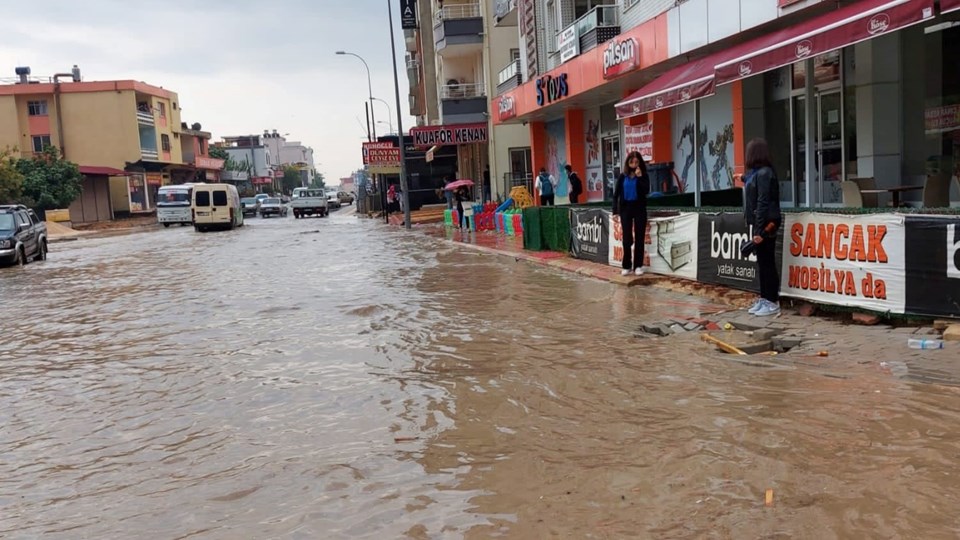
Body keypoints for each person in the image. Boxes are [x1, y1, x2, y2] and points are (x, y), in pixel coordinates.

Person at [743, 138, 782, 317]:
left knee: (767, 263)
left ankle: (772, 301)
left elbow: (763, 201)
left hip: (768, 223)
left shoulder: (765, 173)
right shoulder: (757, 173)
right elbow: (752, 183)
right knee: (762, 262)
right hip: (761, 223)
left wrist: (760, 232)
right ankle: (765, 298)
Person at [612, 151, 650, 277]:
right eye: (631, 162)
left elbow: (646, 190)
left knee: (640, 237)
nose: (634, 165)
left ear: (639, 163)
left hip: (639, 208)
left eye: (636, 162)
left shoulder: (644, 176)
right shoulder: (623, 176)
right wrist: (615, 211)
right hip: (626, 209)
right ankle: (626, 265)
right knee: (627, 238)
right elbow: (616, 194)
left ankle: (638, 266)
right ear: (628, 163)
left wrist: (639, 177)